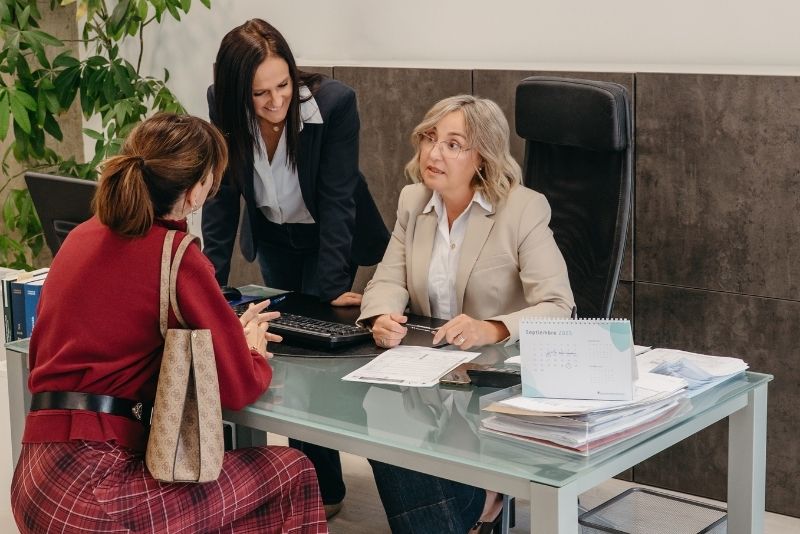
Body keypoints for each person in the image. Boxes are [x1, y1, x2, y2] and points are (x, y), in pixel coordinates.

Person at [10, 113, 328, 533]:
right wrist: (249, 344)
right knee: (291, 471)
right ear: (196, 192)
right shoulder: (176, 257)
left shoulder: (84, 234)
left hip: (36, 481)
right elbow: (239, 387)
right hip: (96, 496)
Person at [358, 95, 575, 533]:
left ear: (483, 157)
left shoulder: (522, 209)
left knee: (403, 460)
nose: (435, 153)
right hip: (426, 373)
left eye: (454, 144)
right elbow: (387, 279)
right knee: (377, 435)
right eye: (431, 139)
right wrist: (380, 315)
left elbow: (559, 307)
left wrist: (492, 328)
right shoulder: (413, 200)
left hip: (494, 378)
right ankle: (481, 504)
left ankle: (479, 500)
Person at [202, 19, 389, 515]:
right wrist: (208, 285)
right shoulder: (221, 105)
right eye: (259, 93)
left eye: (282, 85)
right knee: (280, 351)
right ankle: (303, 477)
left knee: (318, 352)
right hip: (275, 238)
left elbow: (338, 198)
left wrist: (326, 292)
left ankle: (326, 488)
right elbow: (220, 199)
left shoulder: (334, 104)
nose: (274, 101)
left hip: (332, 238)